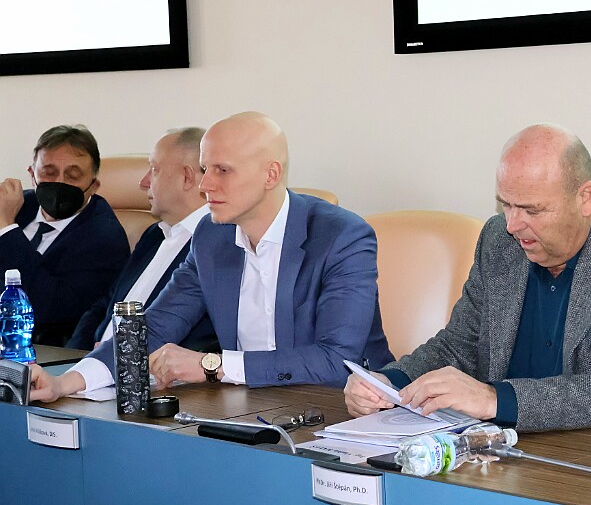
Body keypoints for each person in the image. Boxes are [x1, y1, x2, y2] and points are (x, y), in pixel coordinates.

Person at [345, 123, 591, 432]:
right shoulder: (499, 238)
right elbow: (460, 344)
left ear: (585, 198)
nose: (512, 225)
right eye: (506, 205)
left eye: (531, 210)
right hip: (495, 448)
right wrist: (389, 382)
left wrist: (494, 399)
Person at [30, 111, 392, 401]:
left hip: (344, 409)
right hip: (250, 408)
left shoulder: (341, 236)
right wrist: (65, 382)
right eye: (205, 169)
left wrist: (212, 365)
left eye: (223, 170)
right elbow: (155, 326)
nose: (205, 185)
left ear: (271, 174)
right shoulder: (211, 236)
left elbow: (335, 360)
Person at [66, 127, 216, 352]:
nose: (143, 183)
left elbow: (198, 340)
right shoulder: (154, 235)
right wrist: (76, 357)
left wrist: (111, 358)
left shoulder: (216, 246)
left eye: (154, 169)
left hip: (148, 369)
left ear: (187, 177)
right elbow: (105, 304)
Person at [0, 124, 130, 345]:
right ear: (32, 174)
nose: (59, 183)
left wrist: (6, 229)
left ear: (94, 185)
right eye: (49, 173)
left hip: (35, 347)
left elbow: (48, 307)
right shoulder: (16, 205)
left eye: (73, 176)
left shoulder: (104, 239)